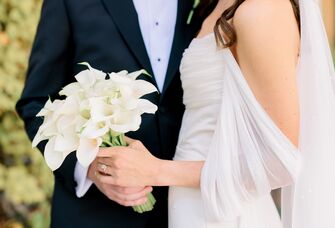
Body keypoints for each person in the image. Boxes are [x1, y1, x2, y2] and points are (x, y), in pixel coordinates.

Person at [95, 0, 335, 227]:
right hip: (194, 207)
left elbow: (280, 161)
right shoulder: (214, 5)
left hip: (227, 213)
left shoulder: (263, 8)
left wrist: (156, 170)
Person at [16, 0, 203, 227]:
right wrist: (90, 167)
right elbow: (36, 103)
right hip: (93, 215)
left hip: (189, 209)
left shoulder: (208, 5)